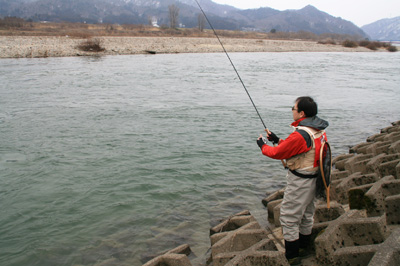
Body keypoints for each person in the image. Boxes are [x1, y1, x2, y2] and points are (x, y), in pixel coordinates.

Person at [256, 96, 329, 265]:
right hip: (316, 179)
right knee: (307, 215)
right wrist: (277, 140)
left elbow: (277, 153)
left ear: (301, 113)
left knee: (289, 218)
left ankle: (292, 257)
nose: (292, 110)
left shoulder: (301, 134)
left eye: (293, 108)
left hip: (301, 182)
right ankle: (304, 247)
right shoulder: (317, 130)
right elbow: (300, 149)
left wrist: (262, 145)